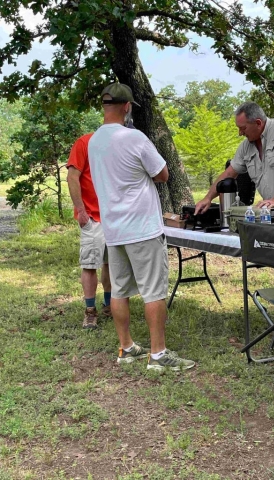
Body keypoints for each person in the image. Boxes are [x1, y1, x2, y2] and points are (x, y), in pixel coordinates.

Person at [88, 82, 195, 371]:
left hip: (113, 229)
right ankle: (158, 355)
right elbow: (162, 174)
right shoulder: (135, 138)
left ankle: (126, 347)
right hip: (142, 229)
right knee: (154, 291)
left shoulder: (94, 141)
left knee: (120, 290)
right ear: (126, 107)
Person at [67, 133, 112, 329]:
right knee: (90, 265)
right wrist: (82, 211)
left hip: (116, 217)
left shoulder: (121, 143)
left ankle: (110, 305)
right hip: (92, 217)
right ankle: (90, 311)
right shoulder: (85, 142)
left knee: (111, 264)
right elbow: (72, 177)